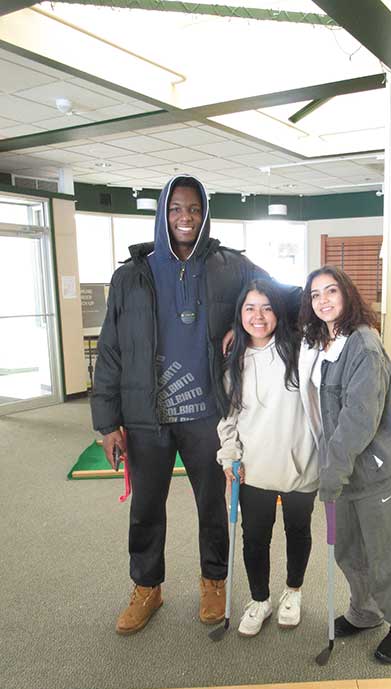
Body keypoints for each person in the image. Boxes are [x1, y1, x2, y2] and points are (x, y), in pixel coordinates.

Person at [91, 175, 299, 635]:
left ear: (205, 214)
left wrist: (246, 325)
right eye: (176, 209)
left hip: (207, 412)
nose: (185, 218)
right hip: (146, 417)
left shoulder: (230, 267)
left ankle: (214, 580)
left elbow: (284, 296)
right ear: (163, 212)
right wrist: (107, 423)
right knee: (146, 506)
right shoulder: (131, 275)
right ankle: (147, 587)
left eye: (194, 209)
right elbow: (110, 351)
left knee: (213, 505)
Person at [297, 266, 391, 664]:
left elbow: (357, 420)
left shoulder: (363, 346)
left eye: (331, 291)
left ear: (348, 295)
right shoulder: (322, 341)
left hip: (371, 471)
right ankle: (365, 612)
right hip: (341, 470)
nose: (324, 300)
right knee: (349, 551)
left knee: (384, 553)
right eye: (315, 295)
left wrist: (331, 474)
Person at [217, 279, 318, 636]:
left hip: (301, 464)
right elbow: (229, 417)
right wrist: (229, 454)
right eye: (249, 309)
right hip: (252, 467)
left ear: (279, 311)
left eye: (266, 307)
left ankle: (293, 592)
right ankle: (259, 599)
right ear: (238, 315)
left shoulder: (302, 349)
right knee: (254, 538)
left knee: (297, 531)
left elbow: (300, 293)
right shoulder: (235, 358)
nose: (258, 316)